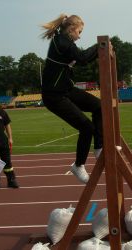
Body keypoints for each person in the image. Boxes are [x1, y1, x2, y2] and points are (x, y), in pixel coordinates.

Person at [41, 14, 103, 184]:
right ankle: (78, 165)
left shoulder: (66, 43)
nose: (80, 35)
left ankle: (99, 147)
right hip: (54, 96)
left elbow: (83, 58)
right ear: (71, 29)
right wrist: (100, 46)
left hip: (66, 90)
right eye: (79, 31)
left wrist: (100, 49)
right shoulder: (61, 42)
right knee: (86, 127)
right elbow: (83, 57)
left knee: (99, 106)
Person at [0, 99, 19, 189]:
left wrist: (10, 138)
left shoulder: (2, 112)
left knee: (7, 162)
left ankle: (11, 180)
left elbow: (7, 125)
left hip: (3, 141)